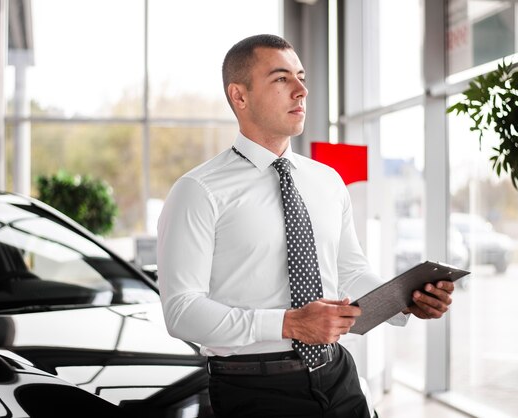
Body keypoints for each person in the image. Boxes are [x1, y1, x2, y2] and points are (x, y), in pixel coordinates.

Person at [157, 34, 454, 418]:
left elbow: (349, 271)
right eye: (281, 79)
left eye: (301, 76)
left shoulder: (327, 181)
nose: (301, 90)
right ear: (239, 96)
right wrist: (289, 324)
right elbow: (180, 312)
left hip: (338, 375)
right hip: (254, 389)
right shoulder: (198, 191)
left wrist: (406, 301)